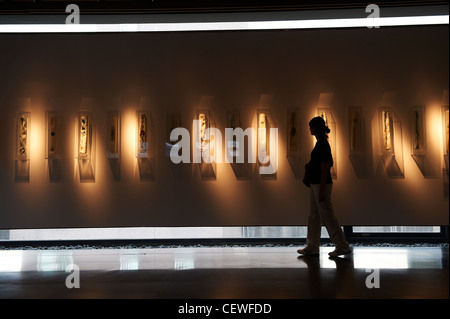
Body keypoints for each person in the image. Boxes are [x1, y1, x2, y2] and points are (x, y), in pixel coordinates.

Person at [298, 116, 351, 258]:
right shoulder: (321, 144)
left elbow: (325, 167)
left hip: (321, 184)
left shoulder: (322, 145)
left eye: (311, 127)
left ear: (316, 128)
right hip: (316, 184)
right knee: (313, 216)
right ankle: (312, 246)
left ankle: (342, 246)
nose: (310, 129)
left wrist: (321, 188)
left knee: (327, 216)